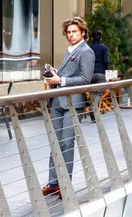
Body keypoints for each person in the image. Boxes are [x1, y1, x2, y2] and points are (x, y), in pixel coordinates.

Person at [41, 17, 95, 199]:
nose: (71, 35)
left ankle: (65, 185)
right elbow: (69, 73)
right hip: (57, 102)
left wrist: (60, 80)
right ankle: (54, 183)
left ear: (83, 33)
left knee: (67, 143)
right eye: (69, 32)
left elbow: (85, 79)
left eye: (74, 32)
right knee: (55, 142)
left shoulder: (86, 52)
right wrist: (56, 73)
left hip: (73, 103)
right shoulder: (70, 50)